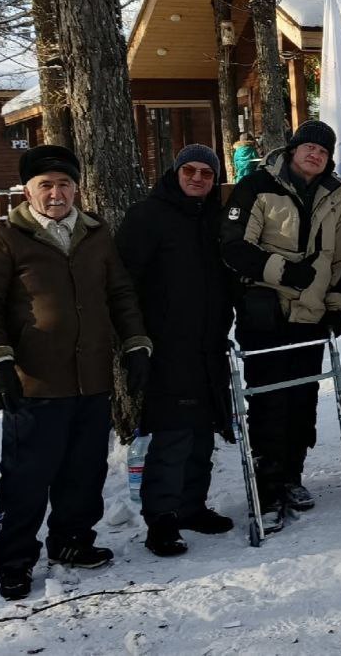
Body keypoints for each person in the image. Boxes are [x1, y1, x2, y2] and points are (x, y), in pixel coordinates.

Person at [0, 146, 152, 600]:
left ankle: (72, 541)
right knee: (26, 477)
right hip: (36, 382)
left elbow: (119, 293)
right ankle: (13, 560)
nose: (56, 193)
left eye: (64, 184)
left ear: (76, 188)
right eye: (46, 186)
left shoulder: (95, 233)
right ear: (28, 191)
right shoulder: (5, 238)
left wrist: (136, 344)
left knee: (84, 470)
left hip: (92, 375)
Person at [221, 120, 341, 531]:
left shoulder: (335, 194)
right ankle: (266, 482)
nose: (314, 154)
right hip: (266, 310)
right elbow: (234, 245)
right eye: (307, 147)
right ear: (293, 149)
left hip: (311, 313)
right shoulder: (258, 185)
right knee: (267, 398)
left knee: (302, 396)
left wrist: (336, 305)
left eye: (322, 150)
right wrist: (282, 272)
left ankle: (292, 475)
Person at [117, 144, 235, 558]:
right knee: (172, 432)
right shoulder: (147, 216)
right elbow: (123, 283)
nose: (198, 178)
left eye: (206, 172)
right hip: (164, 343)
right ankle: (161, 519)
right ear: (176, 172)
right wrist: (135, 341)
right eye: (191, 171)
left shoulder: (212, 219)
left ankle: (191, 505)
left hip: (208, 342)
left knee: (203, 428)